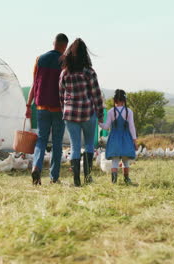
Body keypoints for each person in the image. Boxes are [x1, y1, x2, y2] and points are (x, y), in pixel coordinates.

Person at [59, 38, 104, 186]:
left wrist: (64, 110)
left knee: (75, 146)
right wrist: (100, 114)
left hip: (70, 114)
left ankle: (76, 180)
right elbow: (96, 94)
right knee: (89, 145)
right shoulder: (89, 72)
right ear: (86, 54)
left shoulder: (64, 73)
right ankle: (88, 176)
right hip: (87, 113)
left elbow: (61, 94)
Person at [26, 33, 69, 185]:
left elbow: (34, 84)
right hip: (58, 108)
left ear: (54, 43)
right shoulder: (65, 61)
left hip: (41, 106)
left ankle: (36, 167)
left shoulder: (40, 59)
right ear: (65, 46)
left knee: (41, 139)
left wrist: (28, 104)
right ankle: (54, 177)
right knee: (57, 142)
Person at [99, 89, 137, 184]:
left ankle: (114, 180)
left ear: (115, 101)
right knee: (125, 161)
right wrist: (134, 140)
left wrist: (99, 123)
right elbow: (132, 127)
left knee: (115, 161)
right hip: (126, 138)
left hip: (114, 139)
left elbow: (106, 127)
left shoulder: (111, 111)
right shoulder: (129, 112)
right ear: (124, 101)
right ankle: (126, 179)